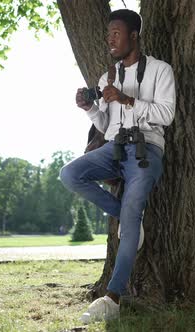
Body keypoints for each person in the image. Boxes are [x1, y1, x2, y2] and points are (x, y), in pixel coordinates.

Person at [59, 9, 175, 324]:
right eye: (108, 33)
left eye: (116, 33)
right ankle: (125, 216)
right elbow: (105, 124)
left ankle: (112, 297)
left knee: (134, 212)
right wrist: (90, 109)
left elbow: (166, 115)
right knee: (69, 174)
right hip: (113, 147)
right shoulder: (106, 77)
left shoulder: (160, 71)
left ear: (133, 35)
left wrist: (127, 100)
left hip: (145, 150)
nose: (110, 39)